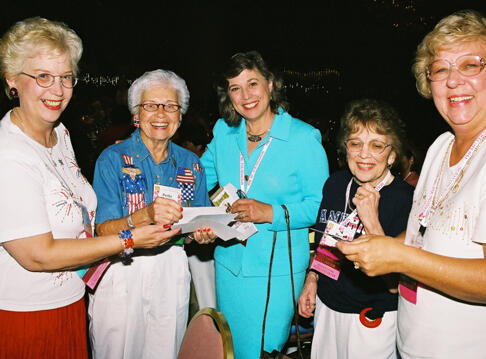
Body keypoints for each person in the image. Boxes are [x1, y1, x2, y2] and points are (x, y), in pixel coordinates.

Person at [337, 10, 486, 358]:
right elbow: (420, 233)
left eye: (471, 65)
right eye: (440, 69)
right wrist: (381, 246)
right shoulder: (441, 146)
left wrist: (400, 257)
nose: (453, 80)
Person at [0, 17, 179, 358]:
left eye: (66, 77)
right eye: (43, 76)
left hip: (69, 302)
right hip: (26, 316)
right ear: (12, 79)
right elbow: (38, 255)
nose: (58, 90)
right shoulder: (9, 153)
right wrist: (129, 239)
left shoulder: (60, 135)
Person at [201, 51, 329, 358]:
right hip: (229, 265)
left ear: (271, 85)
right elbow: (197, 177)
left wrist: (268, 212)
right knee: (231, 350)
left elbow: (319, 208)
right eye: (235, 87)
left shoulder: (303, 138)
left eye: (253, 83)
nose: (245, 96)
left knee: (264, 350)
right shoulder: (224, 132)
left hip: (278, 272)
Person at [88, 69, 214, 359]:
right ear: (136, 114)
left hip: (171, 269)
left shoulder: (191, 164)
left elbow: (196, 227)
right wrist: (144, 215)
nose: (161, 113)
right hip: (122, 268)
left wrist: (202, 235)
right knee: (115, 351)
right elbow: (102, 230)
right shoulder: (112, 159)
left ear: (180, 116)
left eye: (170, 106)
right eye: (150, 105)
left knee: (165, 350)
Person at [298, 99, 413, 359]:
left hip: (371, 320)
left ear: (392, 154)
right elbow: (325, 240)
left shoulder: (406, 200)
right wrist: (312, 279)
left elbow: (396, 285)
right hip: (328, 309)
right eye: (355, 143)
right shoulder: (336, 184)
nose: (364, 154)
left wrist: (371, 221)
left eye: (376, 145)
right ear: (345, 148)